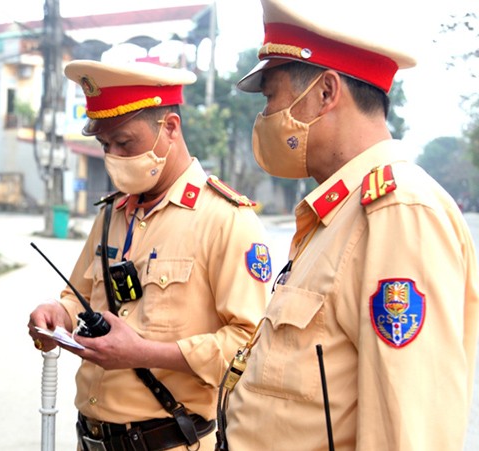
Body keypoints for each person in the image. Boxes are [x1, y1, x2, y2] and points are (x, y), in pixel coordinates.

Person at [220, 1, 479, 450]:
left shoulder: (398, 213)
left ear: (325, 92)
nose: (263, 118)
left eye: (270, 97)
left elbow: (406, 433)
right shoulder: (337, 213)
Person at [27, 60, 272, 451]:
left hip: (170, 441)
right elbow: (80, 296)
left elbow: (250, 346)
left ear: (170, 128)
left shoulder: (226, 220)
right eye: (105, 146)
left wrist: (146, 353)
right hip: (90, 439)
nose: (114, 158)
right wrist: (59, 315)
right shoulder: (112, 214)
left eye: (125, 143)